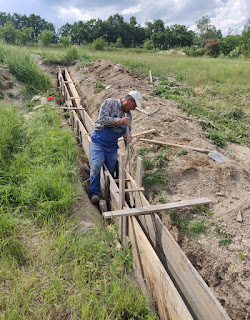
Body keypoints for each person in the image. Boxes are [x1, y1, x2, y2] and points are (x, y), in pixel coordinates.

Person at [88, 90, 142, 204]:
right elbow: (102, 119)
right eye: (133, 105)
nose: (133, 109)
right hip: (98, 141)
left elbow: (128, 131)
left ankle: (109, 195)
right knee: (96, 165)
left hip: (112, 146)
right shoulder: (110, 103)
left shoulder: (128, 116)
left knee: (111, 171)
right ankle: (94, 193)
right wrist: (119, 121)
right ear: (128, 100)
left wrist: (128, 138)